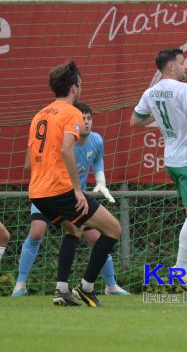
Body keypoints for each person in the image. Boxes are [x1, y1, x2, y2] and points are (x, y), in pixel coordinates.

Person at [27, 61, 122, 307]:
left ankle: (61, 290)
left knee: (74, 230)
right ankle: (87, 288)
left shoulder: (40, 115)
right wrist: (77, 190)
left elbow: (28, 163)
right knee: (113, 230)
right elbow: (67, 149)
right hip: (60, 190)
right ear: (73, 88)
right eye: (80, 83)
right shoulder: (72, 113)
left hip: (38, 192)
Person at [130, 48, 187, 292]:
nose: (186, 67)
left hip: (172, 159)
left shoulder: (151, 92)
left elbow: (136, 121)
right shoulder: (184, 89)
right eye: (183, 63)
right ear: (171, 66)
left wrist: (162, 117)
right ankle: (180, 269)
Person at [12, 102, 129, 297]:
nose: (85, 122)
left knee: (90, 236)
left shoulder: (96, 140)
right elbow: (33, 163)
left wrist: (100, 181)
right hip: (57, 192)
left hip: (71, 196)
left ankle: (107, 285)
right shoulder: (65, 142)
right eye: (82, 118)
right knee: (38, 231)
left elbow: (98, 161)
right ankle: (21, 284)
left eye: (89, 118)